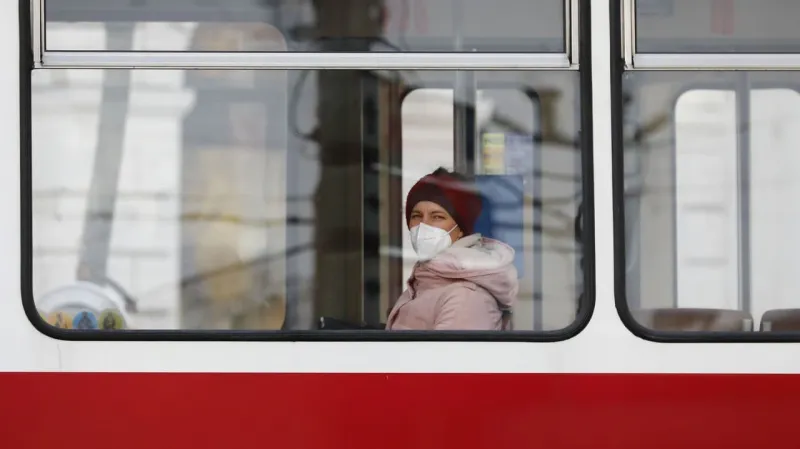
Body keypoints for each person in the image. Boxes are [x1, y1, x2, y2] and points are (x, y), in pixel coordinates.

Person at [386, 168, 519, 331]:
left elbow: (448, 356)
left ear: (461, 228)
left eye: (437, 217)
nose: (423, 225)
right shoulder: (428, 279)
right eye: (416, 216)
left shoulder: (466, 296)